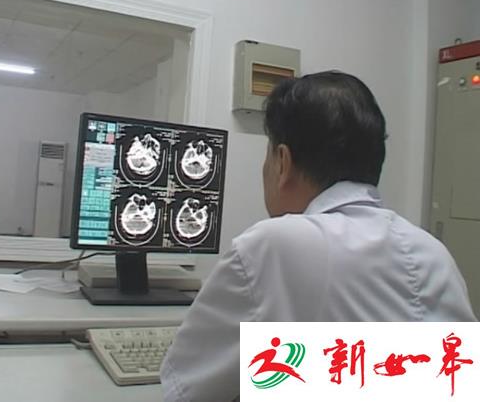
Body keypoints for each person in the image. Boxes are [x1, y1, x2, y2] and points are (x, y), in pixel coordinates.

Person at [160, 70, 477, 402]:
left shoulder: (272, 247)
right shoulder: (433, 253)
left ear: (282, 162)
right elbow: (451, 380)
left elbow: (185, 391)